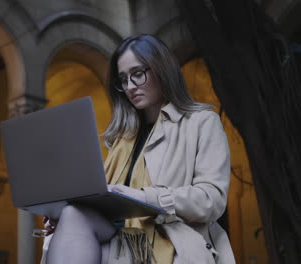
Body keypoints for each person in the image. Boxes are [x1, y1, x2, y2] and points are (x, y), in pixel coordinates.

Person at [42, 34, 235, 264]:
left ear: (161, 70)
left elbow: (211, 200)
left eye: (138, 74)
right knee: (72, 215)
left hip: (167, 241)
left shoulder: (202, 122)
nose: (130, 86)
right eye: (123, 79)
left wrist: (145, 197)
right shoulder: (122, 139)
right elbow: (105, 200)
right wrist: (66, 217)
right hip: (117, 239)